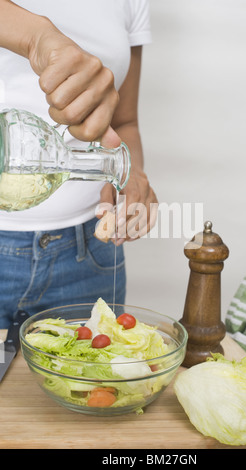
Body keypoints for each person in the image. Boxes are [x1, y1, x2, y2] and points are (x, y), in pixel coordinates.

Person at [0, 0, 158, 328]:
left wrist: (132, 178)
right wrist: (37, 36)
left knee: (93, 375)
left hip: (87, 256)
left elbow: (125, 121)